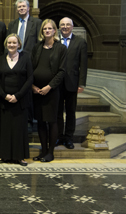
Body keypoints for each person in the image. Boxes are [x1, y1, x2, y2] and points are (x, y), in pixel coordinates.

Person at [0, 34, 33, 166]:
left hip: (20, 100)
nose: (11, 45)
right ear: (6, 44)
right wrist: (4, 95)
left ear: (19, 45)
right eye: (9, 43)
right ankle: (3, 155)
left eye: (14, 43)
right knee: (4, 129)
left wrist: (18, 95)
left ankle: (20, 156)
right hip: (4, 100)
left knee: (19, 129)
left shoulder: (26, 58)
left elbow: (30, 79)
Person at [32, 19, 67, 163]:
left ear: (54, 31)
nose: (47, 31)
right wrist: (33, 86)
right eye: (44, 29)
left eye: (49, 28)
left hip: (51, 91)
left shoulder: (61, 48)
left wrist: (49, 86)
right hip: (37, 91)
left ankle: (51, 152)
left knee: (52, 121)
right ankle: (43, 151)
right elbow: (32, 67)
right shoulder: (37, 47)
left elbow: (62, 71)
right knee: (40, 121)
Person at [57, 17, 88, 150]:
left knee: (70, 111)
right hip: (57, 83)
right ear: (59, 27)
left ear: (72, 26)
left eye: (67, 25)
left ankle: (68, 137)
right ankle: (58, 136)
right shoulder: (55, 41)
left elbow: (83, 64)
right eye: (62, 25)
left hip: (72, 83)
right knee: (58, 111)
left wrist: (81, 83)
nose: (65, 27)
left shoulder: (80, 42)